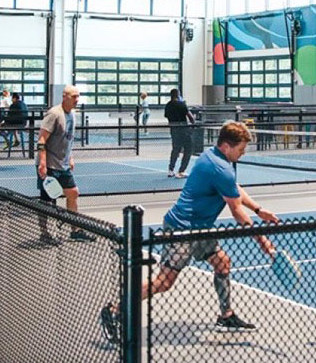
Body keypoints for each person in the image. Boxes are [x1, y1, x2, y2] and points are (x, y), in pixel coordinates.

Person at [100, 121, 280, 343]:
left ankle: (226, 315)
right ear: (226, 146)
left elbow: (233, 188)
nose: (243, 153)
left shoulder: (215, 157)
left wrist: (258, 210)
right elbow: (236, 211)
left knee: (222, 263)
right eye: (241, 149)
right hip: (182, 230)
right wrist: (263, 241)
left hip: (201, 228)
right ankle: (114, 309)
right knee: (164, 283)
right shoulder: (221, 168)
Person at [36, 85, 94, 242]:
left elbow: (68, 139)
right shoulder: (54, 114)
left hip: (63, 164)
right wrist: (42, 163)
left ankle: (75, 230)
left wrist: (70, 157)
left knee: (73, 193)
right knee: (46, 201)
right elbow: (41, 140)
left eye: (78, 96)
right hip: (49, 164)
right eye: (74, 96)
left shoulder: (72, 115)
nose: (77, 99)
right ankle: (44, 233)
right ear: (64, 97)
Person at [164, 88, 195, 178]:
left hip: (174, 130)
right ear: (178, 95)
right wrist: (193, 124)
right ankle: (181, 170)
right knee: (188, 149)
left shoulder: (168, 105)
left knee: (175, 149)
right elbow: (191, 117)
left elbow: (167, 116)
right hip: (184, 130)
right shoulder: (182, 104)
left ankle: (171, 169)